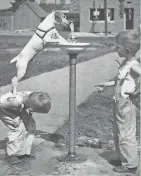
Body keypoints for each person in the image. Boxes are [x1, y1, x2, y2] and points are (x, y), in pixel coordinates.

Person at [96, 30, 140, 173]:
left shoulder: (134, 65)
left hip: (127, 103)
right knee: (118, 132)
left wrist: (137, 92)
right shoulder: (124, 62)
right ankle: (123, 157)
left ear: (126, 50)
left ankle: (131, 165)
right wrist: (106, 84)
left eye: (118, 47)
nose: (115, 49)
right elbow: (119, 80)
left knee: (126, 134)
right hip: (119, 103)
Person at [0, 91, 51, 164]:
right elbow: (2, 106)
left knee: (31, 125)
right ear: (31, 109)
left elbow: (27, 110)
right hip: (4, 108)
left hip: (18, 107)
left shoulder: (33, 97)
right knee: (18, 128)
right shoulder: (15, 102)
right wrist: (15, 117)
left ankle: (24, 153)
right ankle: (11, 155)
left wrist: (29, 118)